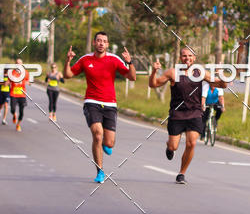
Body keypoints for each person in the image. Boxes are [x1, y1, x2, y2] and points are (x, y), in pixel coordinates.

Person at [64, 31, 135, 183]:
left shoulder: (114, 59)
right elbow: (68, 75)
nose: (101, 43)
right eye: (99, 40)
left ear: (107, 44)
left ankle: (104, 143)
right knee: (97, 134)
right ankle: (100, 171)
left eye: (104, 41)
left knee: (109, 143)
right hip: (92, 102)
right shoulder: (85, 59)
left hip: (110, 104)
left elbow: (132, 77)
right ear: (94, 43)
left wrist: (130, 62)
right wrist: (68, 61)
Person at [149, 47, 226, 184]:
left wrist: (222, 75)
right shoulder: (173, 72)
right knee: (173, 146)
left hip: (195, 112)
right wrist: (154, 71)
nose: (187, 58)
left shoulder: (200, 72)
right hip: (177, 114)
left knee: (191, 143)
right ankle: (169, 147)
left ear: (194, 58)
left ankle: (181, 173)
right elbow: (153, 84)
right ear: (180, 58)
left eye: (190, 56)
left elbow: (222, 85)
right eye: (184, 56)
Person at [9, 57, 28, 131]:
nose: (18, 64)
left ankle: (18, 124)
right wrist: (7, 83)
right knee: (12, 109)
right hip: (13, 94)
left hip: (22, 95)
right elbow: (9, 81)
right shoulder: (12, 72)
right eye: (17, 63)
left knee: (21, 112)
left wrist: (28, 82)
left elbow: (28, 80)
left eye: (20, 63)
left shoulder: (26, 73)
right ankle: (14, 114)